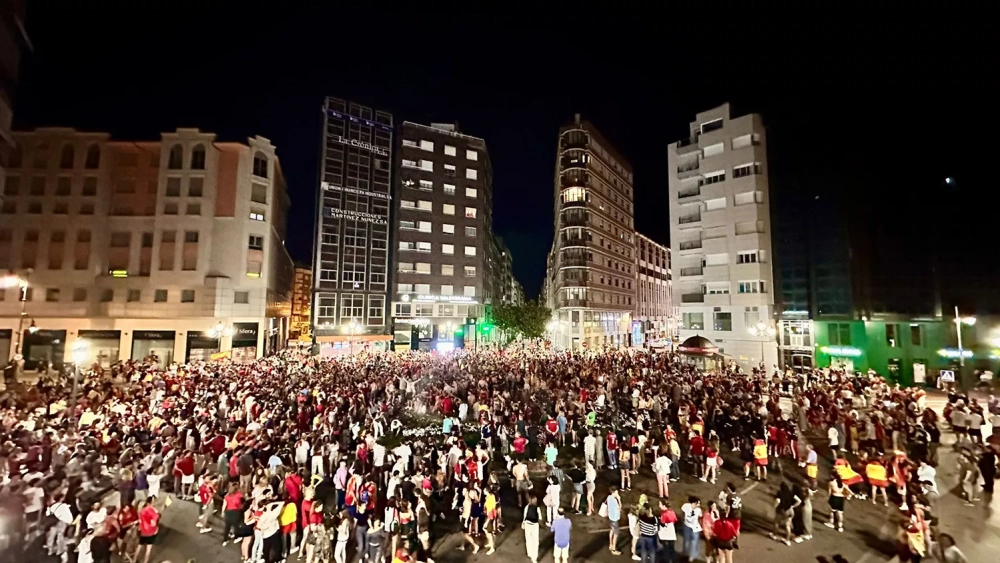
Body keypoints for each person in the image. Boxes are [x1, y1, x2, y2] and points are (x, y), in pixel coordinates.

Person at [137, 498, 161, 563]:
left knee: (139, 546)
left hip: (143, 532)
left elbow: (140, 521)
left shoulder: (142, 510)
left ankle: (133, 560)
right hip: (151, 533)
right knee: (148, 550)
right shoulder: (153, 512)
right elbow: (154, 523)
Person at [681, 496, 703, 562]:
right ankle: (685, 553)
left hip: (695, 528)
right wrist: (683, 520)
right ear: (694, 503)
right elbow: (682, 513)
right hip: (687, 526)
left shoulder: (699, 510)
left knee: (694, 542)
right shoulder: (686, 506)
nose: (699, 505)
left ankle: (692, 556)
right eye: (698, 503)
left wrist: (699, 525)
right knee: (686, 540)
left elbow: (700, 518)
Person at [522, 494, 541, 563]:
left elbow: (524, 516)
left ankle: (529, 553)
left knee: (528, 539)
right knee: (535, 541)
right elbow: (540, 518)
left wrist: (523, 523)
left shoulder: (527, 507)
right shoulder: (537, 508)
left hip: (527, 524)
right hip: (534, 525)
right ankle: (534, 558)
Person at [604, 486, 623, 555]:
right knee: (616, 533)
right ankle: (614, 549)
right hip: (615, 518)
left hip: (610, 517)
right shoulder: (615, 500)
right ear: (614, 492)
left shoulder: (608, 497)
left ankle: (610, 544)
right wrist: (619, 499)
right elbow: (620, 508)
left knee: (611, 530)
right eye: (616, 492)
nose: (617, 493)